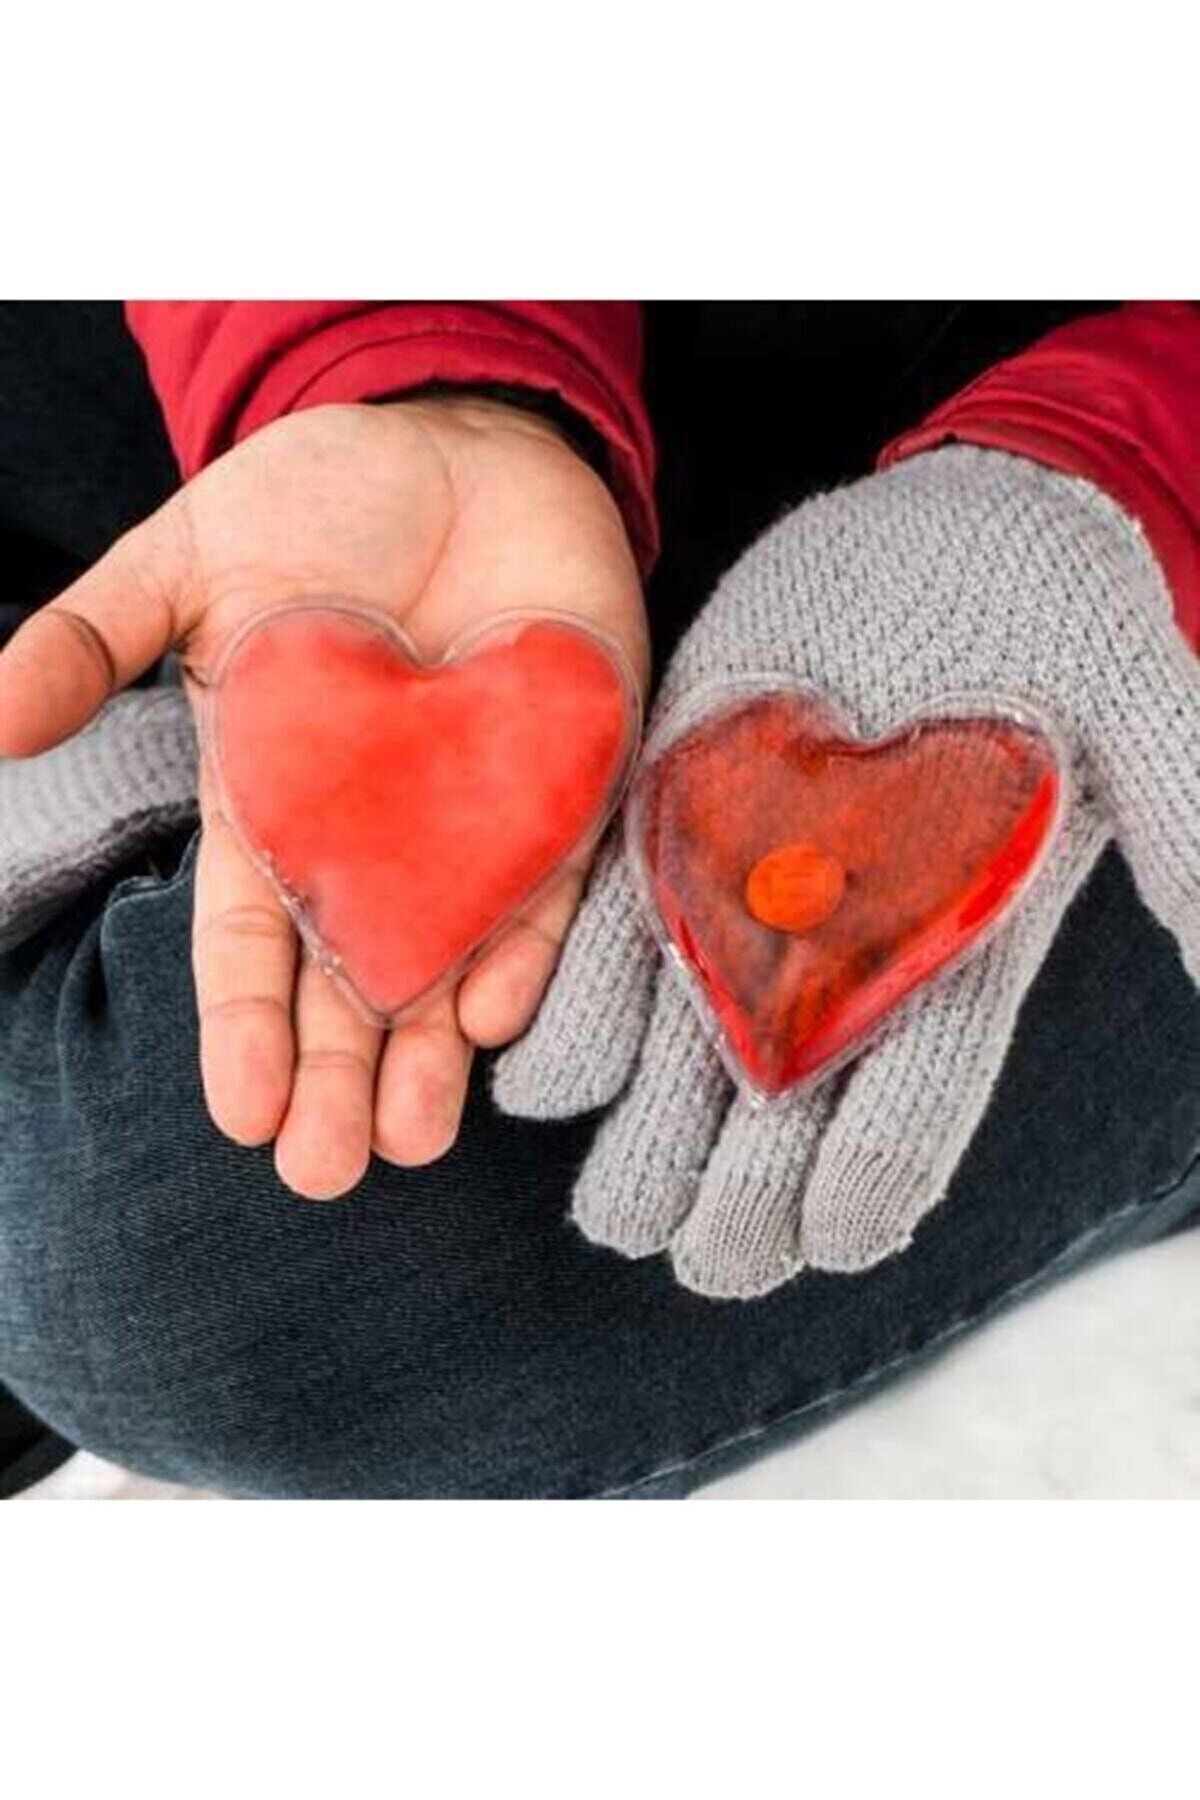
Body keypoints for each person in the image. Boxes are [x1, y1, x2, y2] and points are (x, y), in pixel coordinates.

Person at [0, 301, 1196, 1498]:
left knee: (185, 1248)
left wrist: (1112, 465)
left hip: (1112, 487)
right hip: (562, 357)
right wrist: (411, 361)